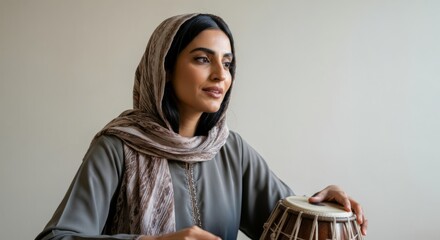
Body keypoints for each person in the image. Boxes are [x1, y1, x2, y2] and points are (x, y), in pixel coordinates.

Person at [35, 13, 368, 240]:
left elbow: (287, 229)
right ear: (163, 67)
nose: (220, 75)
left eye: (227, 63)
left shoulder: (231, 150)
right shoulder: (118, 147)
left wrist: (325, 207)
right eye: (202, 59)